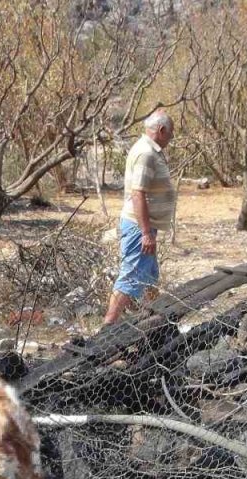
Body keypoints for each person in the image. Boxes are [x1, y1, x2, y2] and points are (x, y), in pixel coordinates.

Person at [103, 110, 175, 325]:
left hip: (146, 226)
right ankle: (107, 328)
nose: (172, 138)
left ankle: (155, 321)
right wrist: (145, 233)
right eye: (170, 133)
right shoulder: (146, 153)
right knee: (130, 276)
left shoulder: (151, 150)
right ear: (161, 131)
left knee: (150, 277)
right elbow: (138, 193)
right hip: (139, 227)